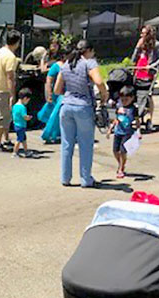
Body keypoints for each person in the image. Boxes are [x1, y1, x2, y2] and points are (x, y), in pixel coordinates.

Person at [54, 39, 108, 188]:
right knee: (85, 144)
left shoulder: (66, 65)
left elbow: (57, 90)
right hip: (83, 107)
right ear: (89, 51)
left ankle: (65, 178)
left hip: (66, 106)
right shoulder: (89, 63)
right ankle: (86, 179)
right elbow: (99, 81)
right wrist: (104, 94)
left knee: (66, 143)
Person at [0, 30, 21, 152]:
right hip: (3, 89)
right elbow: (10, 77)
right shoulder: (11, 57)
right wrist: (12, 95)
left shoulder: (0, 51)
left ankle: (6, 139)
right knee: (3, 117)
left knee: (6, 116)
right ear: (17, 42)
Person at [130, 25, 159, 128]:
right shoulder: (141, 44)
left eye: (143, 33)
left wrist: (152, 66)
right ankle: (136, 114)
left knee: (148, 94)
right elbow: (133, 59)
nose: (141, 35)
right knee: (135, 93)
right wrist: (137, 47)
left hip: (149, 73)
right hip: (138, 71)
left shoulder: (157, 45)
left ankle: (150, 118)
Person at [107, 85, 139, 179]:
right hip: (118, 131)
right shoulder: (119, 107)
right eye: (122, 99)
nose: (124, 101)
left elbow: (137, 121)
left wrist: (138, 131)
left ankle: (121, 168)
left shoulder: (133, 109)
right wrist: (110, 129)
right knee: (115, 150)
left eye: (126, 99)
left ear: (132, 98)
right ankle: (120, 163)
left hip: (127, 132)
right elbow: (116, 119)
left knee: (122, 151)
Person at [38, 45, 67, 144]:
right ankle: (49, 134)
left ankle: (59, 134)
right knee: (55, 116)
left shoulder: (69, 65)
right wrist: (49, 94)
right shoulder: (56, 66)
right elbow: (49, 80)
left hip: (65, 94)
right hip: (57, 94)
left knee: (58, 116)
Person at [12, 88, 32, 158]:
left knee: (23, 139)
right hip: (21, 125)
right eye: (28, 100)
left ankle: (26, 151)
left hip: (16, 124)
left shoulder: (15, 106)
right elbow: (24, 117)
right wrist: (29, 118)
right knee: (19, 139)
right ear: (25, 98)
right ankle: (15, 152)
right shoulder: (22, 107)